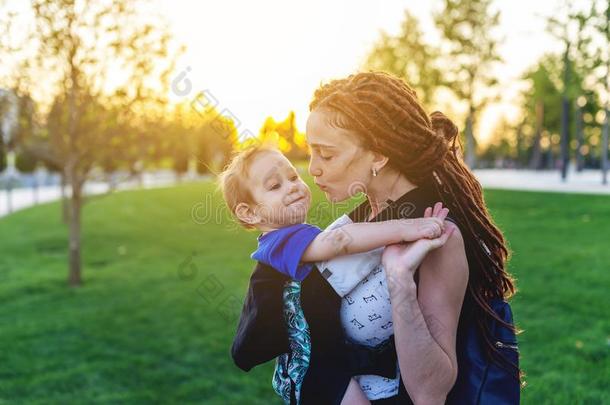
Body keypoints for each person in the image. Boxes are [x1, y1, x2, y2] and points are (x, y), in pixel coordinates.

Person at [232, 71, 520, 404]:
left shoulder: (435, 236)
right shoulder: (363, 219)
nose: (312, 169)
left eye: (326, 154)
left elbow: (430, 393)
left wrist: (400, 283)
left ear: (378, 155)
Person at [219, 144, 453, 404]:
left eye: (293, 177)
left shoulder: (292, 237)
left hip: (325, 354)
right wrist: (406, 227)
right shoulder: (279, 243)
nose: (292, 186)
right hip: (310, 366)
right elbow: (340, 241)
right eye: (275, 186)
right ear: (249, 212)